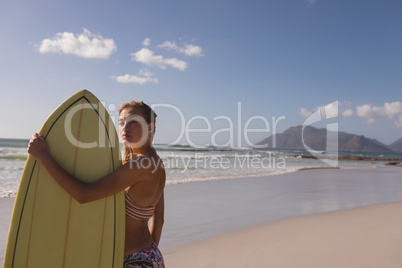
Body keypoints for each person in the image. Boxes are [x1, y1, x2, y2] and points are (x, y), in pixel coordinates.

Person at [27, 100, 166, 268]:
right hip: (148, 255)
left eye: (133, 121)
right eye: (122, 122)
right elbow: (158, 219)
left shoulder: (140, 165)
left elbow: (84, 195)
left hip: (134, 260)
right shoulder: (156, 163)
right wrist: (150, 256)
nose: (125, 128)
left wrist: (44, 157)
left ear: (149, 128)